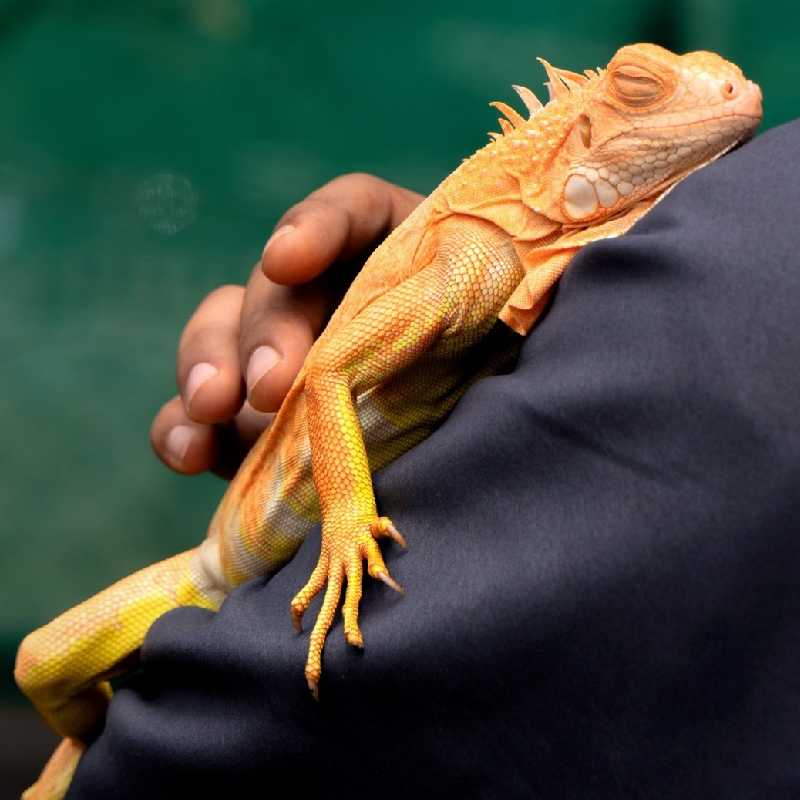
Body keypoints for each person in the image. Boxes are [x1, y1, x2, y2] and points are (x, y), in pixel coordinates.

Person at [71, 122, 800, 798]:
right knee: (43, 665)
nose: (736, 100)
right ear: (581, 136)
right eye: (643, 92)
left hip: (260, 645)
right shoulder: (510, 265)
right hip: (218, 579)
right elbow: (331, 377)